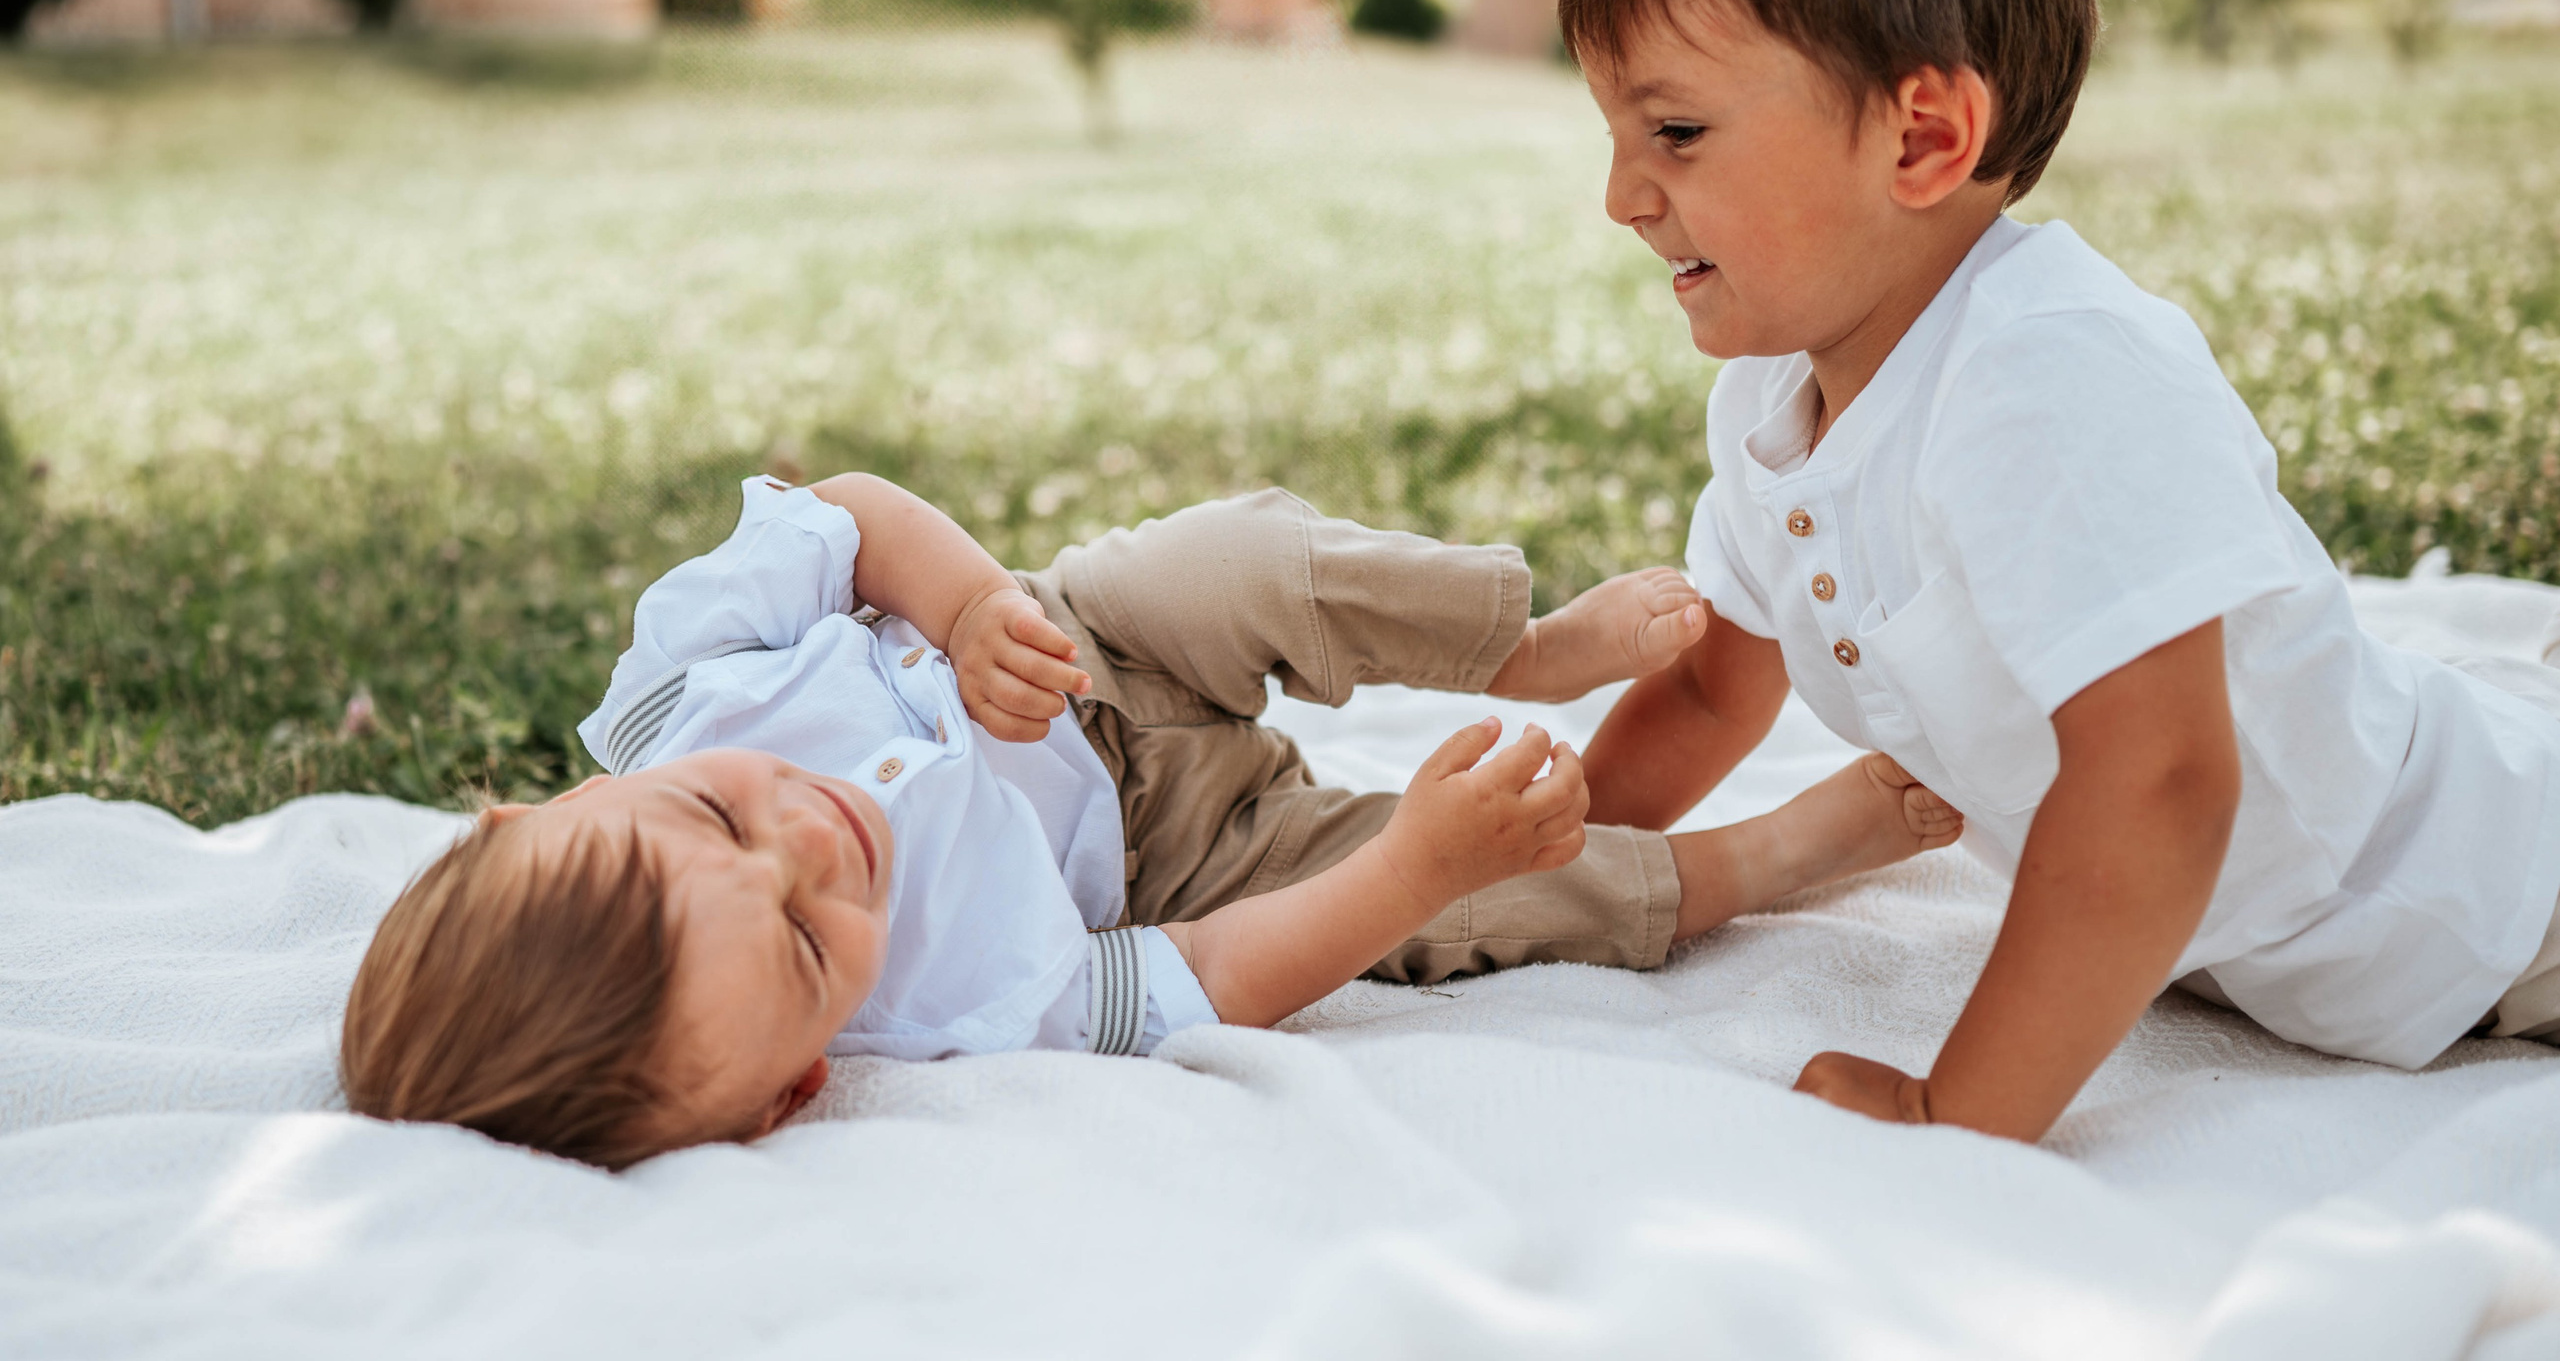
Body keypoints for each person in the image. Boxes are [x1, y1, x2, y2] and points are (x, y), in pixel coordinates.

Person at [1561, 0, 2560, 1143]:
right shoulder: (1775, 401)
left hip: (2492, 903)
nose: (1620, 196)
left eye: (1674, 134)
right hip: (2277, 937)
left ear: (1923, 140)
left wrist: (1958, 1111)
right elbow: (1721, 688)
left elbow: (2158, 781)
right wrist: (1544, 869)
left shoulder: (2049, 375)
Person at [341, 473, 1961, 1168]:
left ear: (553, 799)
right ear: (789, 1092)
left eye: (713, 820)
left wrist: (966, 603)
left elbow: (840, 516)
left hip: (1073, 646)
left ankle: (1524, 648)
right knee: (1440, 918)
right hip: (1179, 857)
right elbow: (1207, 974)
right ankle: (1753, 859)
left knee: (1240, 555)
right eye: (797, 937)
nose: (810, 845)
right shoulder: (964, 1012)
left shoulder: (671, 685)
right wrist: (1406, 869)